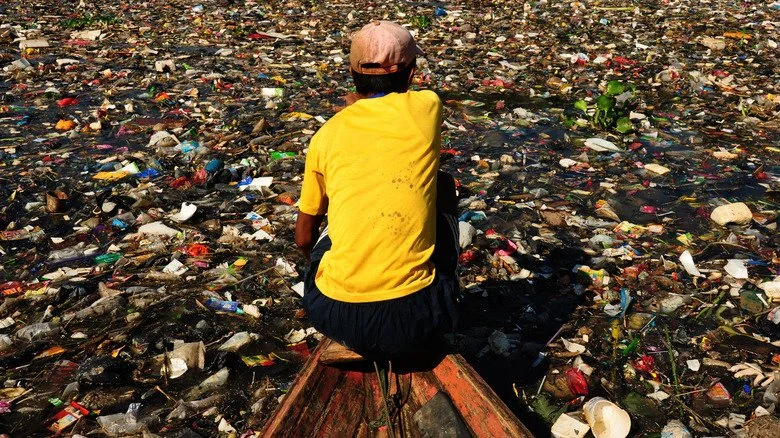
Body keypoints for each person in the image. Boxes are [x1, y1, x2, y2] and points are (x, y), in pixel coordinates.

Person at [295, 20, 459, 360]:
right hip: (414, 316)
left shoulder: (324, 137)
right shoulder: (427, 108)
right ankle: (443, 305)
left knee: (330, 232)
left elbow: (303, 238)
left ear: (352, 74)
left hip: (333, 313)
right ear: (412, 74)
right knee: (443, 186)